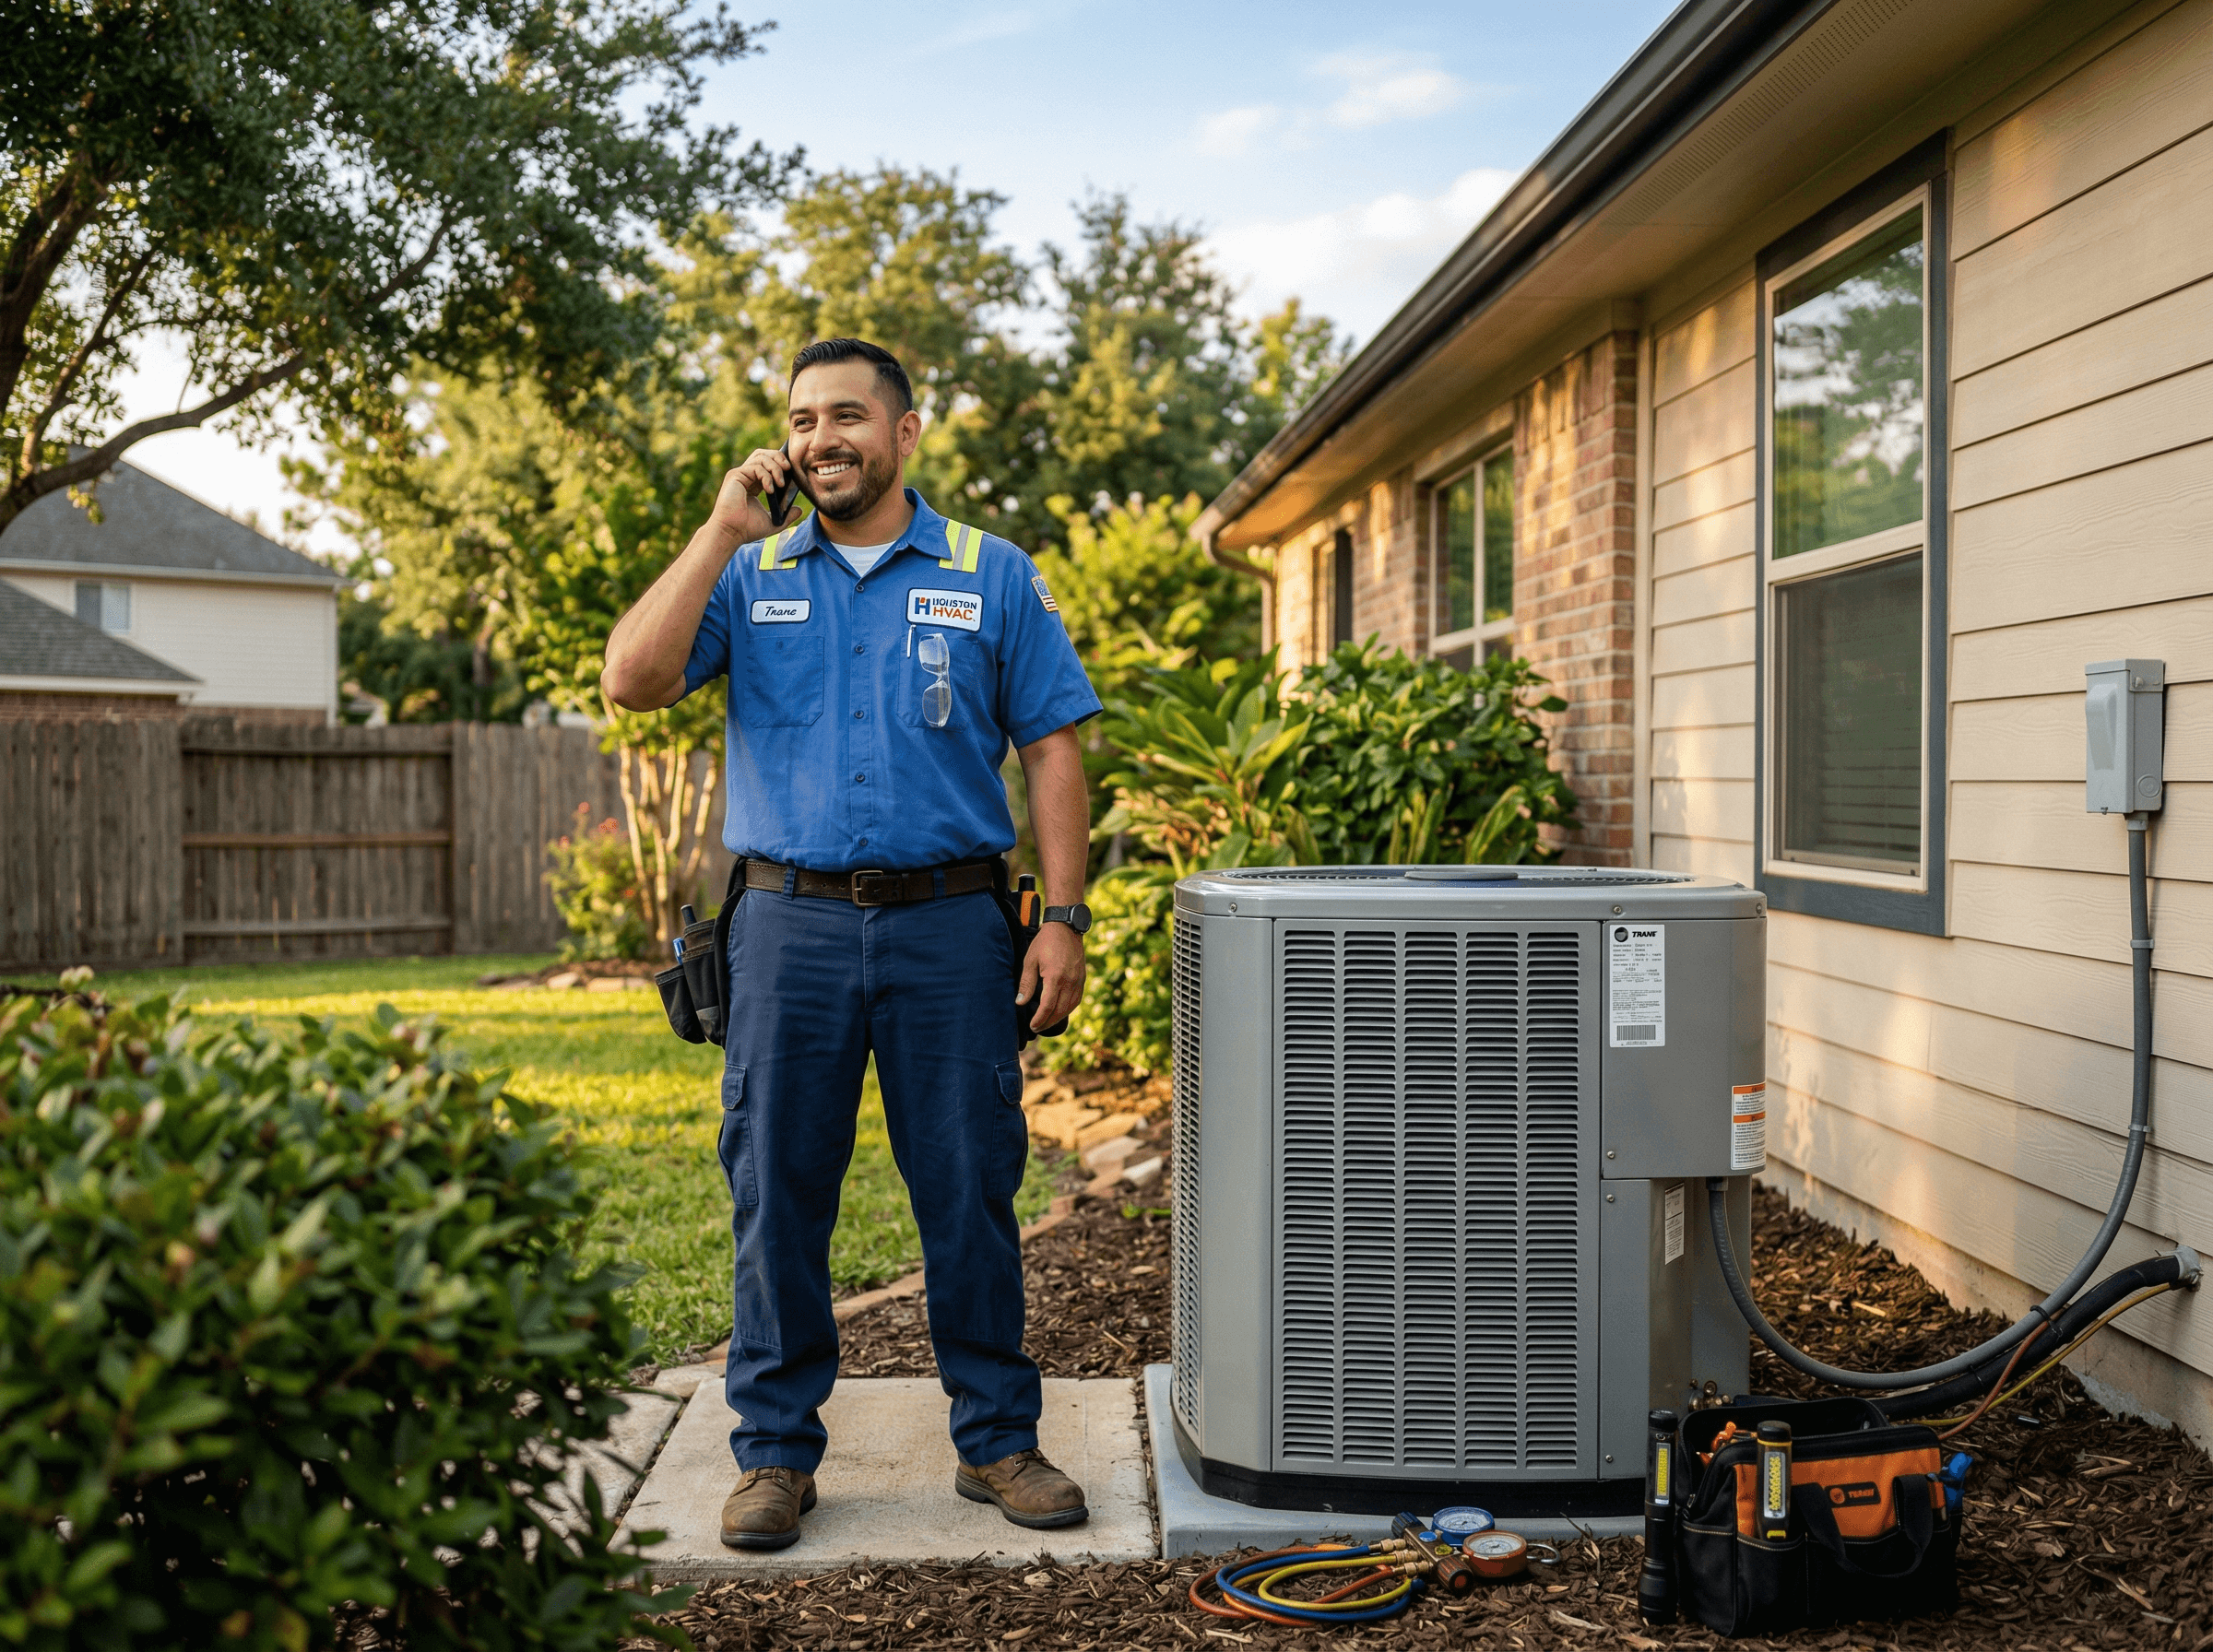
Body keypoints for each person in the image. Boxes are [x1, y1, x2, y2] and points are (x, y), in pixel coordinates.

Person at [600, 337, 1101, 1552]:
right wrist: (718, 530)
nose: (820, 439)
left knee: (971, 1188)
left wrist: (1065, 921)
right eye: (801, 418)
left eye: (847, 418)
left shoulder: (992, 575)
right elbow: (633, 678)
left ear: (906, 431)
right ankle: (774, 1455)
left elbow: (1052, 750)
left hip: (952, 927)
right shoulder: (751, 570)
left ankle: (995, 1442)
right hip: (788, 926)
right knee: (773, 1188)